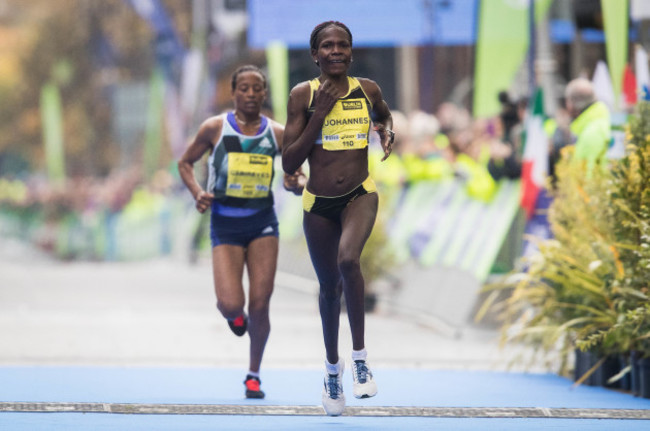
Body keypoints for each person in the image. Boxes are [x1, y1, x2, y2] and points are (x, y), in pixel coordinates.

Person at [281, 21, 393, 416]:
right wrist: (320, 114)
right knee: (329, 288)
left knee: (349, 261)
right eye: (327, 46)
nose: (335, 51)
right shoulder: (303, 95)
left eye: (342, 45)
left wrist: (385, 129)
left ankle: (360, 360)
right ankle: (333, 369)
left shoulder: (368, 89)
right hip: (319, 203)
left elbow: (383, 114)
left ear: (351, 51)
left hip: (360, 193)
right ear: (315, 55)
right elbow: (290, 160)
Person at [177, 65, 304, 399]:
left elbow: (295, 174)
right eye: (244, 88)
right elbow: (185, 163)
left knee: (260, 304)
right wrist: (197, 193)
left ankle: (253, 374)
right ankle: (236, 319)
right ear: (233, 93)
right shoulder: (214, 128)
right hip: (225, 223)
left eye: (257, 88)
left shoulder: (277, 133)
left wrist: (295, 182)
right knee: (231, 303)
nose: (250, 94)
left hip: (262, 222)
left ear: (265, 93)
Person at [564, 77, 611, 174]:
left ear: (572, 105)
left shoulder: (591, 133)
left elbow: (588, 180)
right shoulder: (602, 122)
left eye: (567, 101)